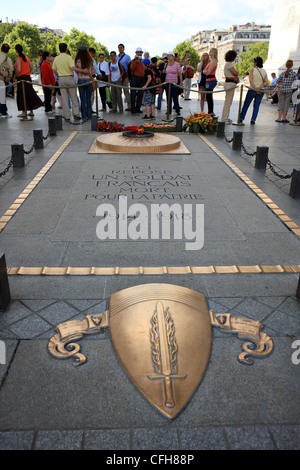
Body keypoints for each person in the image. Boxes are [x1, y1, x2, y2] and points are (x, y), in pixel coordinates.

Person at [52, 43, 81, 121]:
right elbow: (73, 68)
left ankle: (66, 116)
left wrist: (58, 75)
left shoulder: (56, 58)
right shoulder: (68, 57)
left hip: (61, 78)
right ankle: (76, 114)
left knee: (64, 99)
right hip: (69, 77)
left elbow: (54, 69)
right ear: (66, 49)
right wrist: (83, 70)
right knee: (73, 98)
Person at [14, 44, 43, 118]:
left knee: (22, 95)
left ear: (16, 50)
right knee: (29, 94)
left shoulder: (18, 58)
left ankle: (24, 112)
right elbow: (31, 67)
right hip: (28, 77)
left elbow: (19, 69)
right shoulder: (26, 57)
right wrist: (28, 73)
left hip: (21, 78)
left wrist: (15, 76)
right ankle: (31, 111)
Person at [239, 56, 268, 125]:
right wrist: (260, 87)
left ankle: (241, 118)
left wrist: (255, 87)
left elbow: (251, 80)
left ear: (256, 62)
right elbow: (266, 82)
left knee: (246, 104)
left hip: (252, 89)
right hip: (261, 91)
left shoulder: (253, 70)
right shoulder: (264, 71)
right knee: (256, 106)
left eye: (254, 62)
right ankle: (253, 120)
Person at [74, 46, 94, 121]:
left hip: (81, 81)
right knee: (88, 99)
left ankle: (83, 116)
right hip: (88, 80)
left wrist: (80, 72)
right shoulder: (90, 60)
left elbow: (75, 70)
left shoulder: (77, 60)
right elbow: (92, 71)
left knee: (82, 99)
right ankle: (89, 115)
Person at [221, 50, 239, 124]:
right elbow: (235, 73)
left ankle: (225, 117)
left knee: (227, 101)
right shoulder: (229, 65)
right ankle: (225, 118)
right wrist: (236, 75)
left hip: (228, 83)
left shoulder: (227, 64)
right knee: (228, 102)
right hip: (230, 84)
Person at [165, 51, 183, 116]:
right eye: (168, 56)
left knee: (175, 97)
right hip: (167, 83)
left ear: (173, 57)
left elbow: (180, 73)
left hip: (174, 83)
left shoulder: (176, 64)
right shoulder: (166, 64)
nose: (169, 57)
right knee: (168, 97)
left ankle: (177, 110)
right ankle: (169, 110)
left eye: (170, 56)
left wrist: (181, 81)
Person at [130, 47, 145, 114]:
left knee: (140, 94)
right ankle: (133, 108)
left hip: (141, 79)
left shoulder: (142, 62)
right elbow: (132, 69)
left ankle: (138, 108)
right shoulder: (133, 61)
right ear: (136, 53)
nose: (139, 53)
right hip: (134, 78)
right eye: (138, 52)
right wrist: (136, 61)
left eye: (140, 52)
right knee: (133, 94)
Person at [203, 48, 218, 116]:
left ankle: (210, 112)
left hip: (211, 79)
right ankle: (210, 111)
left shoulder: (214, 61)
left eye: (210, 51)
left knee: (209, 96)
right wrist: (205, 71)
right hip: (208, 79)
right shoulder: (211, 61)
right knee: (208, 96)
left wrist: (205, 71)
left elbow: (207, 72)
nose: (209, 52)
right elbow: (204, 70)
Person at [0, 43, 13, 118]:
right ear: (8, 51)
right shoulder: (7, 58)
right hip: (2, 79)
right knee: (2, 96)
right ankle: (3, 112)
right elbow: (11, 69)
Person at [117, 44, 131, 111]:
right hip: (118, 76)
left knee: (126, 91)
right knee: (118, 92)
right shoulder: (116, 57)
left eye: (121, 48)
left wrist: (128, 75)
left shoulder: (127, 57)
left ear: (124, 48)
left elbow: (129, 66)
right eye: (119, 48)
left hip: (125, 76)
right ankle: (120, 107)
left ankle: (129, 106)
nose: (120, 49)